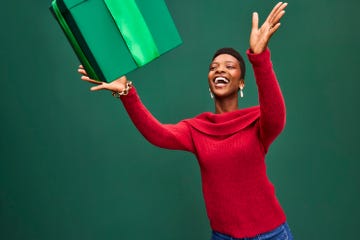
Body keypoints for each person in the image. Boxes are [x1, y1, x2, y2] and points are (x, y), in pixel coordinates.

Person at [78, 2, 293, 240]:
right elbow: (157, 134)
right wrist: (127, 92)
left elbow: (276, 116)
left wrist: (260, 58)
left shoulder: (257, 122)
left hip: (271, 234)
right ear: (210, 80)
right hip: (224, 236)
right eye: (214, 68)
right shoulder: (197, 129)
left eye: (229, 67)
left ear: (241, 82)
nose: (220, 70)